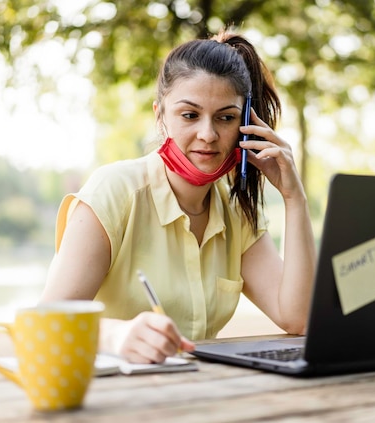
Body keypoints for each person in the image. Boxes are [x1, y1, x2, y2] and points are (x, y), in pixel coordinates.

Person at [40, 29, 316, 364]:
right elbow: (48, 319)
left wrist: (294, 198)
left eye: (226, 118)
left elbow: (299, 318)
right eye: (189, 115)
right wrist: (116, 335)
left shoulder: (237, 210)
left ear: (245, 124)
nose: (208, 134)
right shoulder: (113, 190)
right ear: (161, 116)